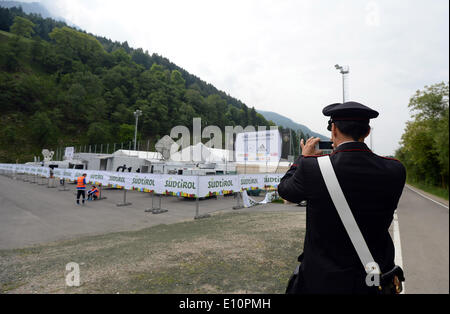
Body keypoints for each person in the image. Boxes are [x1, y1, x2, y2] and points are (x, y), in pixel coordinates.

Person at [278, 101, 406, 294]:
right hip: (373, 281)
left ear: (334, 129)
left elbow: (285, 191)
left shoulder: (313, 167)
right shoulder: (395, 169)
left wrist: (303, 159)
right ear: (367, 131)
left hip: (323, 282)